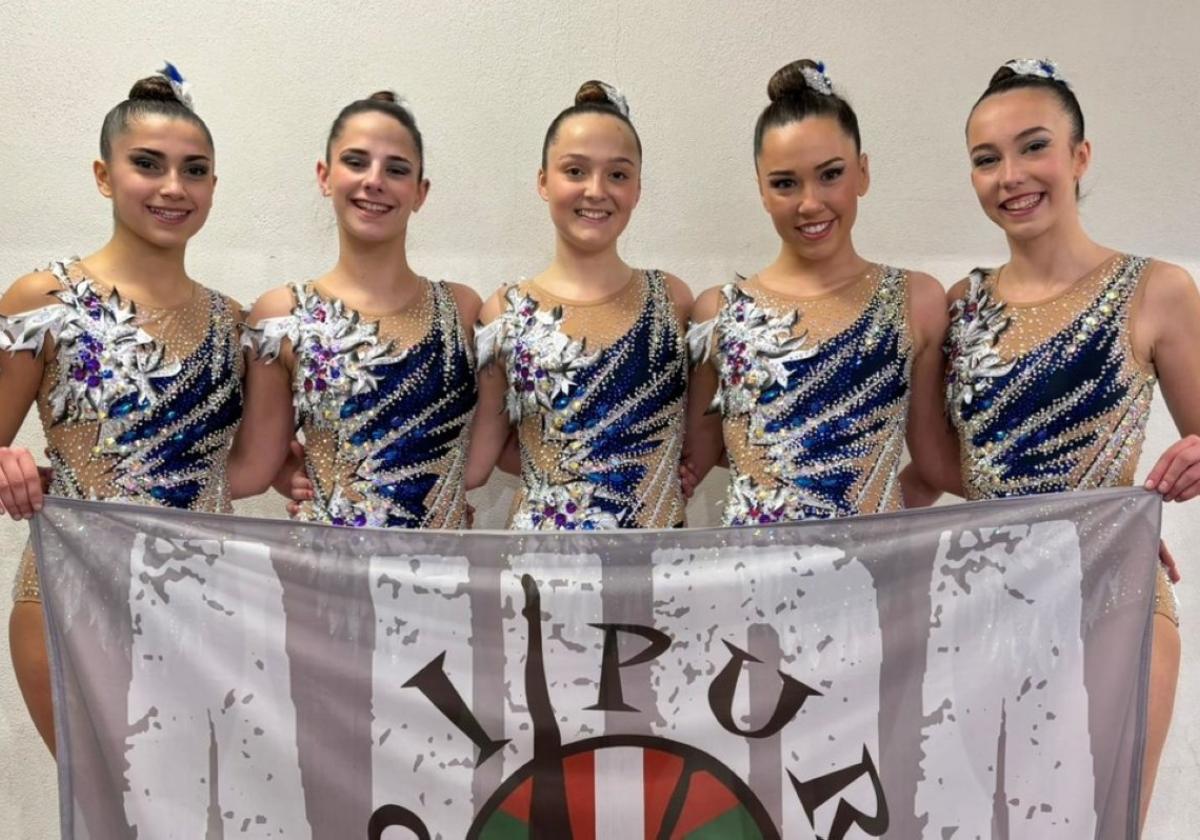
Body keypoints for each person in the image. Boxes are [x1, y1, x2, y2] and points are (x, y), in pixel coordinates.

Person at [947, 57, 1200, 823]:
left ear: (1079, 156)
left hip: (1112, 595)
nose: (1011, 175)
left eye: (1034, 147)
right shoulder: (961, 305)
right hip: (983, 603)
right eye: (987, 159)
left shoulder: (1156, 287)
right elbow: (933, 469)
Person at [0, 64, 244, 752]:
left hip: (213, 606)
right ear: (104, 175)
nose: (173, 187)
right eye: (148, 164)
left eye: (194, 171)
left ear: (213, 188)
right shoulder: (44, 300)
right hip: (72, 596)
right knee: (111, 816)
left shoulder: (233, 323)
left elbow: (247, 466)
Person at [684, 59, 959, 524]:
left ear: (862, 173)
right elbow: (691, 458)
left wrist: (1082, 502)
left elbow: (933, 463)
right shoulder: (719, 312)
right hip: (752, 581)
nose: (810, 203)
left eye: (830, 174)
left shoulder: (918, 300)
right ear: (762, 190)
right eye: (785, 183)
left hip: (872, 575)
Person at [237, 92, 479, 529]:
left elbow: (504, 443)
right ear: (325, 176)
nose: (375, 180)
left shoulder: (463, 310)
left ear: (420, 192)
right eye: (356, 162)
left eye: (397, 169)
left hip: (444, 577)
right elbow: (258, 459)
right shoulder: (282, 315)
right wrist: (291, 474)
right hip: (325, 573)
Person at [470, 81, 693, 530]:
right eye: (575, 171)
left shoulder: (674, 299)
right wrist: (320, 480)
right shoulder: (505, 313)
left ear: (638, 188)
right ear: (543, 181)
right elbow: (486, 452)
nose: (596, 191)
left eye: (617, 174)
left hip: (656, 565)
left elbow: (707, 436)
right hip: (543, 566)